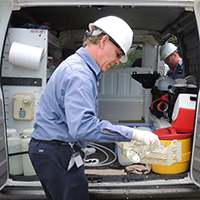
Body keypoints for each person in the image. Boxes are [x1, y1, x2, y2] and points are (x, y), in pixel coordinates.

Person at [28, 15, 160, 200]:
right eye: (118, 54)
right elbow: (82, 127)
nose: (117, 61)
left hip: (54, 150)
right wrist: (131, 134)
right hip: (56, 151)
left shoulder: (79, 67)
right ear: (104, 41)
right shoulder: (80, 74)